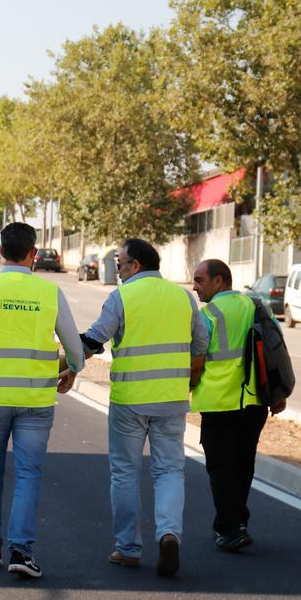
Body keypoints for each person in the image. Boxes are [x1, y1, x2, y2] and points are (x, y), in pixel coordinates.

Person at [0, 222, 83, 579]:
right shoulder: (49, 293)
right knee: (28, 474)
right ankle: (21, 551)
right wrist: (72, 370)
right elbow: (73, 346)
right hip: (36, 402)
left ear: (1, 251)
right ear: (33, 254)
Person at [82, 238, 208, 577]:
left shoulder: (122, 296)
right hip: (172, 399)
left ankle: (128, 548)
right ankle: (169, 534)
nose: (118, 270)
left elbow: (95, 339)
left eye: (121, 264)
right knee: (169, 470)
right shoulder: (182, 297)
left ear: (135, 265)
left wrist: (67, 362)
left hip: (130, 401)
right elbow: (201, 342)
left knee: (125, 472)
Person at [190, 259, 286, 553]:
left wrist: (189, 385)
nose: (195, 287)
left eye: (200, 280)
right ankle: (236, 523)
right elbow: (276, 349)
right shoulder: (258, 306)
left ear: (219, 281)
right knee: (243, 464)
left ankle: (230, 527)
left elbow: (198, 359)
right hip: (255, 402)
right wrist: (279, 393)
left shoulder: (209, 314)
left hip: (220, 403)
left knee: (220, 466)